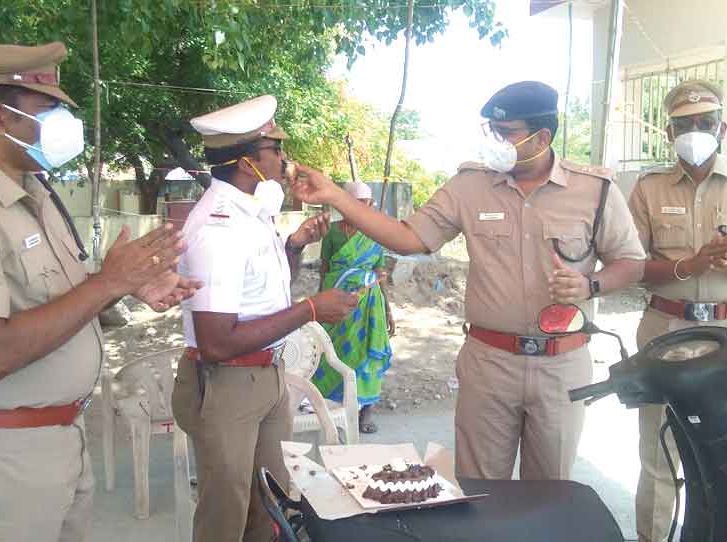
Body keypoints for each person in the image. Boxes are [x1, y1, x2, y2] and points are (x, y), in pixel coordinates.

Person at [291, 81, 646, 482]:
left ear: (542, 137)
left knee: (551, 493)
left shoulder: (594, 191)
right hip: (489, 362)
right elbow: (408, 238)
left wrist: (590, 286)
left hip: (562, 364)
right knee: (480, 488)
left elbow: (631, 263)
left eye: (506, 132)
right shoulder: (469, 186)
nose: (495, 141)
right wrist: (339, 198)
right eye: (491, 131)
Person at [0, 42, 198, 542]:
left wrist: (125, 285)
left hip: (58, 442)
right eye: (47, 109)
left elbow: (58, 307)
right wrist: (109, 281)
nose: (61, 123)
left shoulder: (35, 193)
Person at [171, 95, 359, 542]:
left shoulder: (251, 213)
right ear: (247, 162)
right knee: (226, 513)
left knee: (270, 506)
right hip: (228, 382)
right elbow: (217, 341)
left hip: (267, 375)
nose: (284, 158)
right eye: (275, 148)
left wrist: (292, 248)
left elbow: (263, 298)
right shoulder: (217, 228)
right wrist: (311, 310)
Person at [627, 80, 727, 542]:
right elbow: (628, 266)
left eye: (705, 123)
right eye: (684, 125)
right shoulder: (647, 189)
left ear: (722, 128)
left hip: (725, 330)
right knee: (660, 451)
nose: (696, 132)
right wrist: (690, 264)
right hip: (665, 329)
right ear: (669, 134)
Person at [314, 181, 393, 434]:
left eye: (366, 204)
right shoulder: (332, 233)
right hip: (337, 301)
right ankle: (334, 408)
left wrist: (389, 310)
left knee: (368, 352)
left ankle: (366, 409)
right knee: (334, 352)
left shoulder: (376, 234)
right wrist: (319, 304)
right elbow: (324, 270)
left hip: (368, 306)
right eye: (357, 204)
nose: (363, 209)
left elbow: (380, 275)